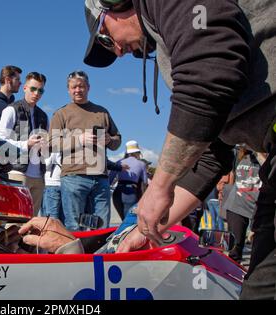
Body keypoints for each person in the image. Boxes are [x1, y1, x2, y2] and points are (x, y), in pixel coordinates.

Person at [83, 0, 275, 299]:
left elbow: (209, 74)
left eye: (107, 38)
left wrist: (160, 185)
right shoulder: (169, 41)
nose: (117, 50)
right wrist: (144, 230)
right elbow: (212, 155)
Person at [49, 70, 121, 231]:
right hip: (74, 176)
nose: (77, 90)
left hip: (101, 178)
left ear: (88, 87)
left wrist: (110, 140)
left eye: (81, 86)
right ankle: (77, 257)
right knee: (75, 226)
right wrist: (79, 140)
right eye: (73, 87)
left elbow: (117, 141)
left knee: (101, 226)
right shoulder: (61, 114)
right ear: (68, 89)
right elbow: (52, 143)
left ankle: (96, 257)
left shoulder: (102, 112)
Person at [0, 72, 49, 216]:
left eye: (40, 90)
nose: (36, 93)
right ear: (25, 88)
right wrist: (26, 144)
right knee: (15, 220)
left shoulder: (43, 116)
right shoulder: (11, 110)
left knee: (31, 222)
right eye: (33, 89)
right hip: (17, 172)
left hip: (39, 176)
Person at [223, 146, 263, 262]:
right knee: (234, 246)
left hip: (259, 206)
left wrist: (259, 153)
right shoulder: (238, 153)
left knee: (259, 248)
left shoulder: (269, 154)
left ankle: (255, 276)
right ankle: (232, 273)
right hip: (236, 204)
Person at [109, 140, 148, 224]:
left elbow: (110, 179)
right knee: (129, 221)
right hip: (131, 192)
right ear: (138, 152)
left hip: (117, 192)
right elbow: (145, 182)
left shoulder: (119, 162)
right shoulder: (141, 164)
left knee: (123, 219)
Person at [41, 152, 64, 222]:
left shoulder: (55, 146)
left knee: (50, 217)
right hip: (62, 183)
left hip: (52, 183)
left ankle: (51, 232)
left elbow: (46, 164)